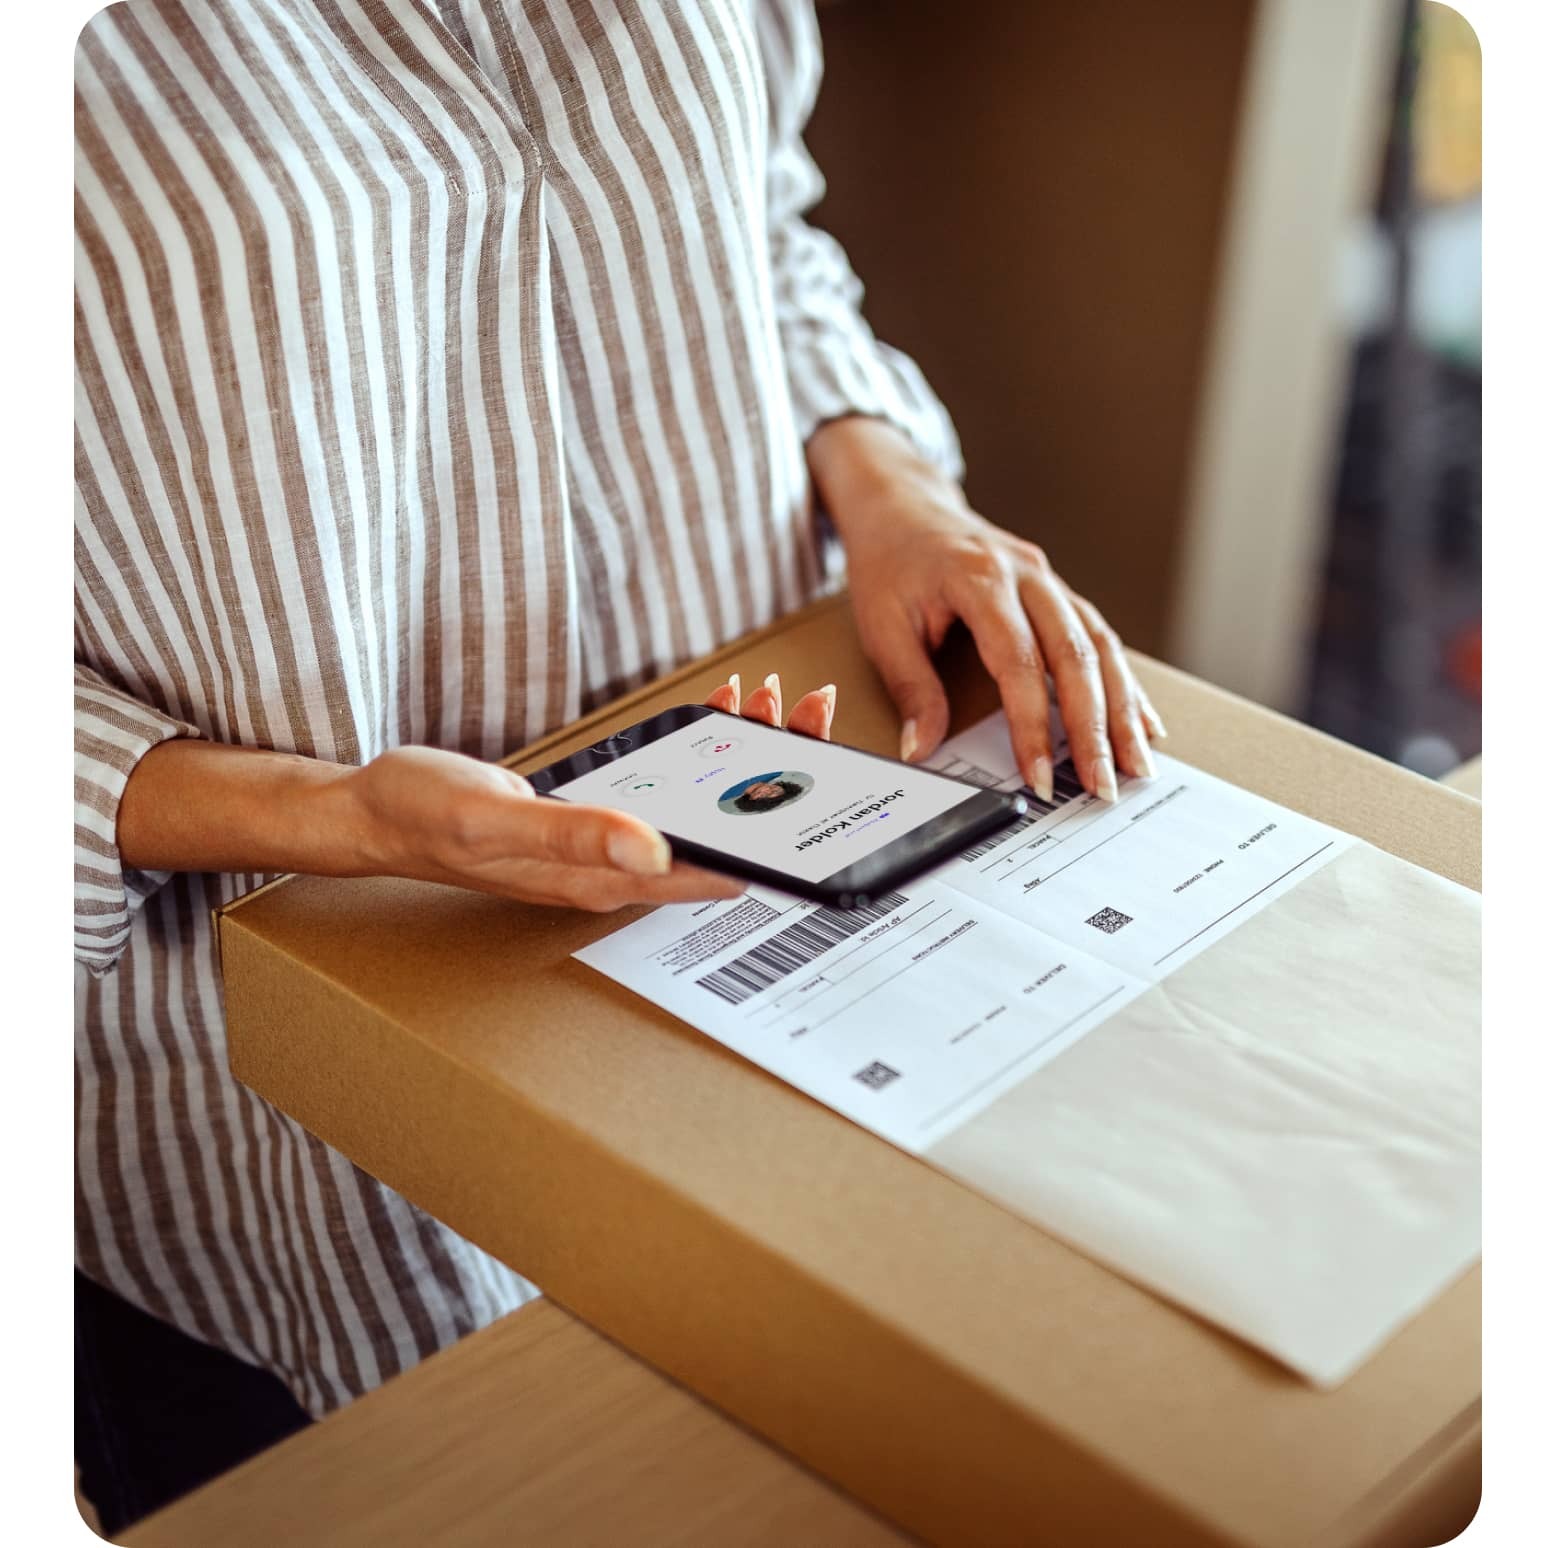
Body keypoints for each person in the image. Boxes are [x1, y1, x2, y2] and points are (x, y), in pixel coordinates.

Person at [74, 0, 1163, 1528]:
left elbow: (758, 220)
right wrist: (325, 815)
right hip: (282, 1072)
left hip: (779, 903)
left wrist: (893, 480)